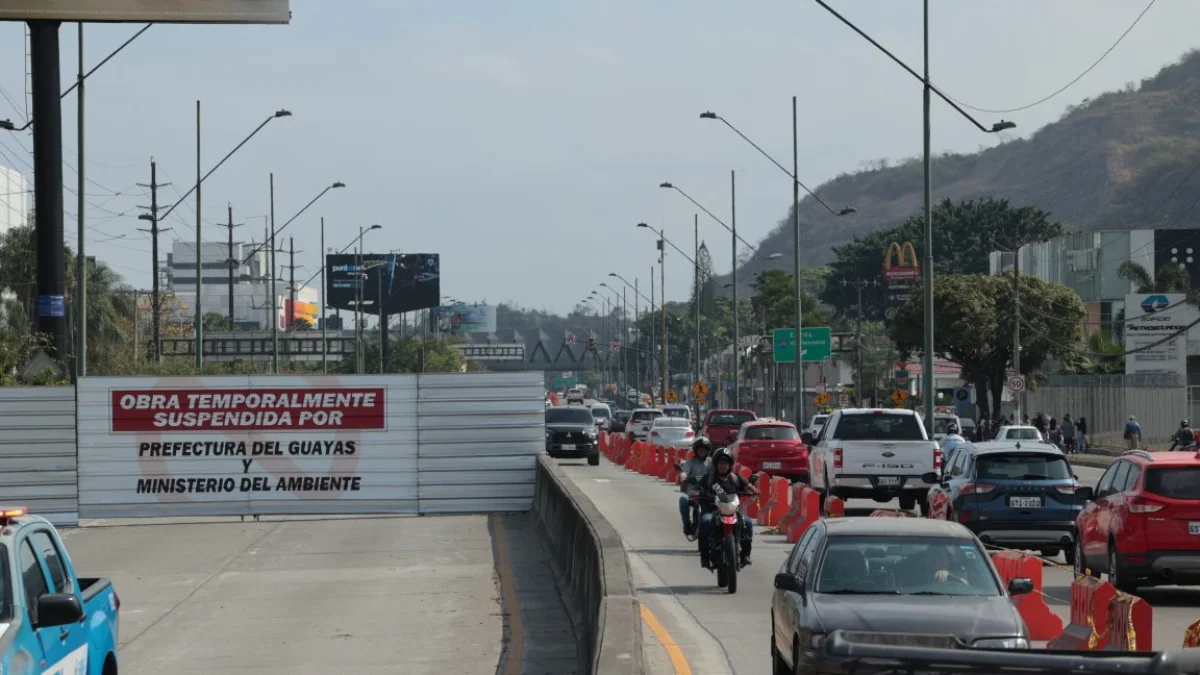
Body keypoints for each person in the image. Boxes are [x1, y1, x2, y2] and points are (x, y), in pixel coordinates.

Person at [698, 448, 757, 569]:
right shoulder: (708, 478)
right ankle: (704, 557)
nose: (723, 466)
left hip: (733, 512)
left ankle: (746, 555)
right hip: (712, 511)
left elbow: (749, 487)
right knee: (705, 522)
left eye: (725, 463)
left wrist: (753, 491)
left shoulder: (735, 478)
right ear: (716, 465)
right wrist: (697, 493)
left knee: (748, 522)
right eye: (720, 463)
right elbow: (696, 488)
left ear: (730, 465)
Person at [677, 437, 713, 535]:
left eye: (704, 449)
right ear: (695, 450)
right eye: (699, 449)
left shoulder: (712, 463)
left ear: (708, 450)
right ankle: (687, 525)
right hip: (692, 493)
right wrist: (683, 476)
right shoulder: (690, 462)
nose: (702, 451)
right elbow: (684, 472)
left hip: (707, 493)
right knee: (683, 499)